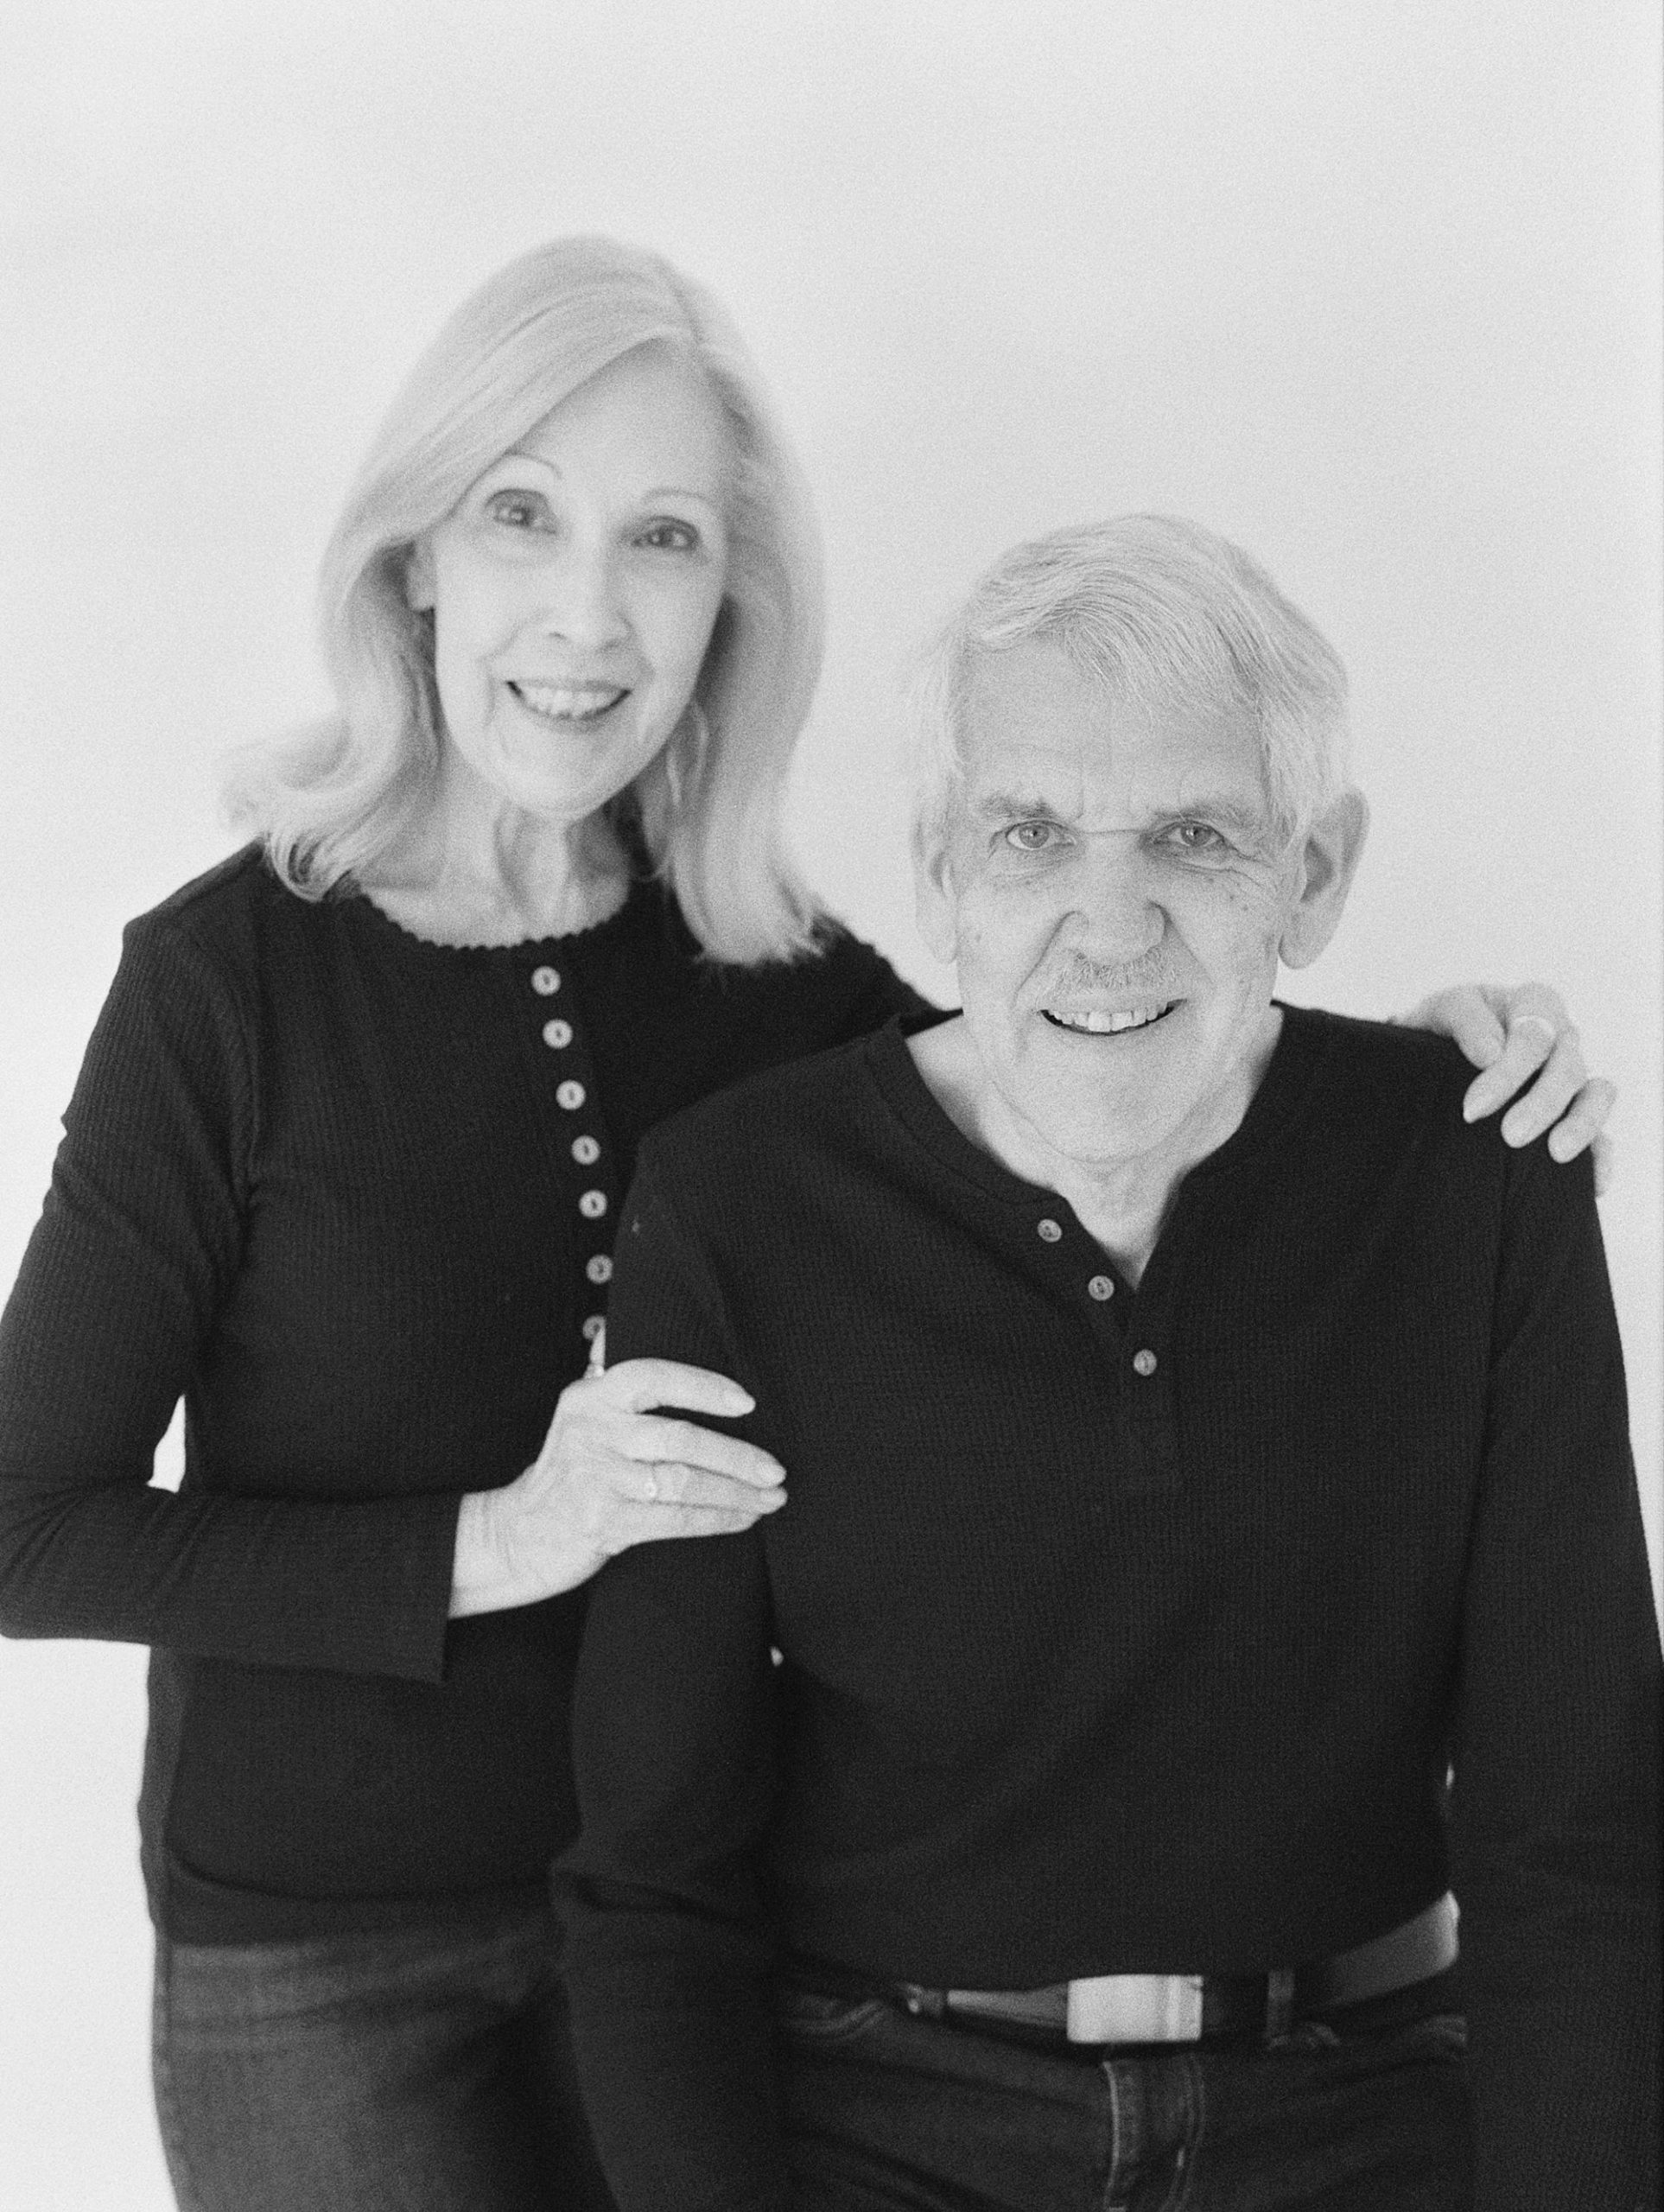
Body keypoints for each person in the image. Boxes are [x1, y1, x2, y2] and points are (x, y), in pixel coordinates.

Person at [0, 238, 1613, 2212]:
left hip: (718, 1937)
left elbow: (1089, 1041)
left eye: (662, 538)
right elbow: (19, 1522)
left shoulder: (783, 982)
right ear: (415, 558)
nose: (585, 613)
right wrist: (499, 1541)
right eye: (522, 516)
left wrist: (1442, 1075)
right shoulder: (225, 986)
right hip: (331, 1939)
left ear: (726, 603)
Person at [557, 516, 1661, 2212]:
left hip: (1361, 2106)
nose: (1110, 916)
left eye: (1196, 835)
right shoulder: (739, 1211)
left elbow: (1576, 1841)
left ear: (1314, 874)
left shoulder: (1480, 1180)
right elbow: (656, 1885)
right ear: (937, 868)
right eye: (1030, 833)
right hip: (889, 2109)